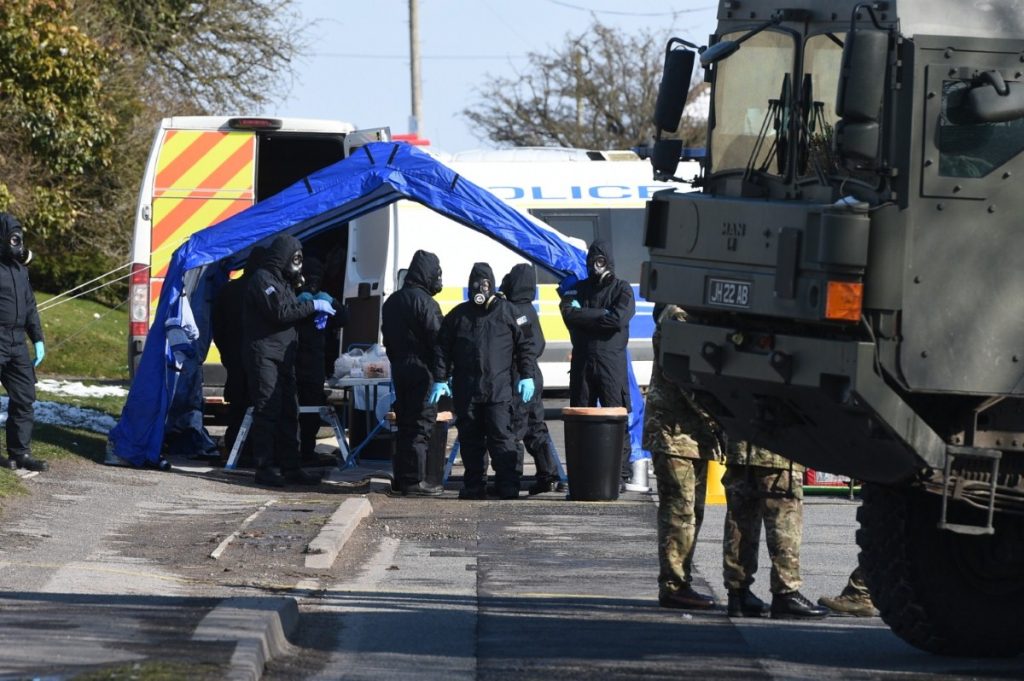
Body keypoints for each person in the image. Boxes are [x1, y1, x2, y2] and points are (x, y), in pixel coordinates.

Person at [434, 262, 535, 500]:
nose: (481, 288)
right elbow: (442, 348)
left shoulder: (510, 312)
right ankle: (474, 486)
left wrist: (527, 374)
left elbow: (527, 345)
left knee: (502, 437)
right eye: (477, 284)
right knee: (471, 441)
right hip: (467, 391)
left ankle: (507, 485)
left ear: (493, 284)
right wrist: (440, 378)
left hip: (498, 390)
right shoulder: (458, 315)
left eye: (485, 284)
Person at [242, 234, 335, 487]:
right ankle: (265, 467)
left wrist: (312, 314)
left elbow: (290, 312)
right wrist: (312, 306)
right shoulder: (263, 280)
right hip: (265, 355)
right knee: (268, 411)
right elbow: (280, 313)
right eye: (295, 259)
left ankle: (292, 467)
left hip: (283, 356)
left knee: (289, 413)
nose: (298, 265)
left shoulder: (283, 283)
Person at [645, 304, 721, 610]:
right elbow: (683, 375)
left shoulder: (690, 312)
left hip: (692, 436)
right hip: (674, 434)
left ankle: (680, 581)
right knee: (680, 512)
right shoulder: (677, 315)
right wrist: (719, 419)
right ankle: (674, 585)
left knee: (691, 512)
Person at [722, 442, 829, 619]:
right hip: (776, 448)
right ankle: (785, 592)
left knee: (741, 519)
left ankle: (738, 593)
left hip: (740, 447)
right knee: (784, 518)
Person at [559, 239, 635, 484]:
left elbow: (618, 320)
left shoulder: (622, 289)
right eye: (592, 261)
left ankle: (620, 474)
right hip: (582, 362)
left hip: (611, 364)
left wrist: (588, 316)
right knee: (580, 416)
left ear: (609, 262)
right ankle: (582, 474)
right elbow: (569, 314)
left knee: (616, 417)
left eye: (600, 261)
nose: (596, 266)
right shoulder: (578, 289)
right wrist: (602, 314)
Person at [380, 250, 446, 497]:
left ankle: (403, 477)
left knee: (405, 423)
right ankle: (415, 480)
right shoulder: (426, 303)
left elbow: (388, 338)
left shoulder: (392, 302)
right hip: (422, 369)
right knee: (420, 424)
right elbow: (437, 341)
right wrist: (442, 375)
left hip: (400, 367)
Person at [499, 263, 562, 495]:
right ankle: (549, 475)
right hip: (533, 375)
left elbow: (528, 345)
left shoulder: (515, 311)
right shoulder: (529, 310)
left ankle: (511, 480)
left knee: (515, 427)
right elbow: (540, 343)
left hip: (520, 376)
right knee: (536, 427)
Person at [211, 246, 268, 463]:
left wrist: (227, 354)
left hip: (234, 358)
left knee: (237, 408)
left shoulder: (229, 290)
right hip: (257, 358)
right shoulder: (263, 289)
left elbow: (219, 327)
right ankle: (254, 452)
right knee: (259, 407)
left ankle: (236, 450)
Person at [0, 212, 47, 472]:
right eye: (11, 237)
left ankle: (20, 453)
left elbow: (30, 306)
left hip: (17, 341)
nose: (15, 242)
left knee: (24, 397)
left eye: (18, 237)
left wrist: (37, 339)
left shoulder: (20, 269)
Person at [295, 256, 346, 465]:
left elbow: (344, 318)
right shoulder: (294, 297)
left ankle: (306, 452)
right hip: (296, 361)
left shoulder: (323, 299)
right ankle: (295, 452)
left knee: (312, 410)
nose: (313, 282)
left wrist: (331, 301)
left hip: (314, 361)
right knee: (295, 410)